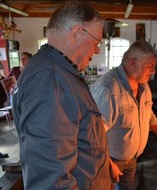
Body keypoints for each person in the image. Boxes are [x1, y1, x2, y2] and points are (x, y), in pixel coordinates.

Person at [12, 1, 110, 189]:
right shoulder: (51, 80)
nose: (97, 49)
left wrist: (103, 164)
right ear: (76, 34)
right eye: (96, 42)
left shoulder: (58, 71)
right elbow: (50, 180)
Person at [91, 40, 157, 190]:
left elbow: (148, 114)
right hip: (109, 161)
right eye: (149, 66)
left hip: (132, 159)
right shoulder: (108, 90)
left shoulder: (143, 86)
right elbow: (93, 134)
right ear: (132, 63)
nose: (154, 71)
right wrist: (107, 163)